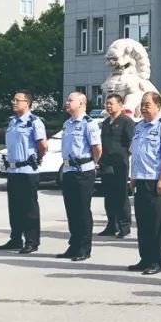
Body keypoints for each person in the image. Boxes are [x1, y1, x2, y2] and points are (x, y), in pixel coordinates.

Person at [128, 91, 161, 275]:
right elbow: (136, 153)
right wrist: (133, 176)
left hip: (156, 181)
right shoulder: (139, 126)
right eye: (142, 104)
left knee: (157, 223)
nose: (143, 107)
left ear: (158, 106)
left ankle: (157, 261)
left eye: (147, 104)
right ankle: (145, 258)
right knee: (143, 222)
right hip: (141, 178)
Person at [0, 90, 48, 255]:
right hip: (13, 170)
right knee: (15, 207)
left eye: (17, 100)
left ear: (27, 103)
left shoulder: (34, 122)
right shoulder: (12, 122)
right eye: (13, 100)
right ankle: (15, 238)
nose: (14, 103)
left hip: (27, 170)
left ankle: (32, 241)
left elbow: (43, 146)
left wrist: (37, 158)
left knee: (29, 208)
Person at [57, 92, 102, 261]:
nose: (67, 102)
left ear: (82, 104)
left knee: (83, 211)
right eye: (67, 99)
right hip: (68, 171)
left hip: (83, 171)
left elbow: (97, 149)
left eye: (70, 100)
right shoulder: (67, 124)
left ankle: (84, 248)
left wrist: (91, 163)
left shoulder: (88, 124)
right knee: (72, 211)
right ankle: (73, 245)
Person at [97, 93, 135, 238]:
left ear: (120, 105)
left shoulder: (126, 122)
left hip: (121, 164)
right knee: (109, 196)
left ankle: (125, 227)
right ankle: (111, 225)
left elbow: (132, 144)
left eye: (111, 103)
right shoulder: (106, 122)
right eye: (107, 103)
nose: (108, 106)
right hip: (106, 164)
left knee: (121, 196)